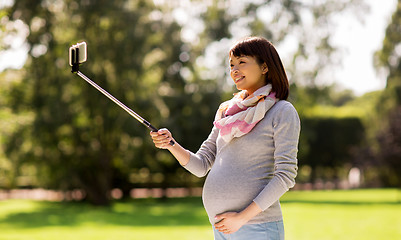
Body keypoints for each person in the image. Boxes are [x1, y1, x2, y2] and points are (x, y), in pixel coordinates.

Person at [150, 36, 300, 240]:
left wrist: (241, 218)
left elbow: (285, 175)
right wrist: (171, 144)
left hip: (257, 227)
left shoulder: (282, 111)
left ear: (264, 67)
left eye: (242, 62)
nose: (234, 70)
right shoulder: (226, 113)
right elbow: (201, 165)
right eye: (231, 65)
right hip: (222, 228)